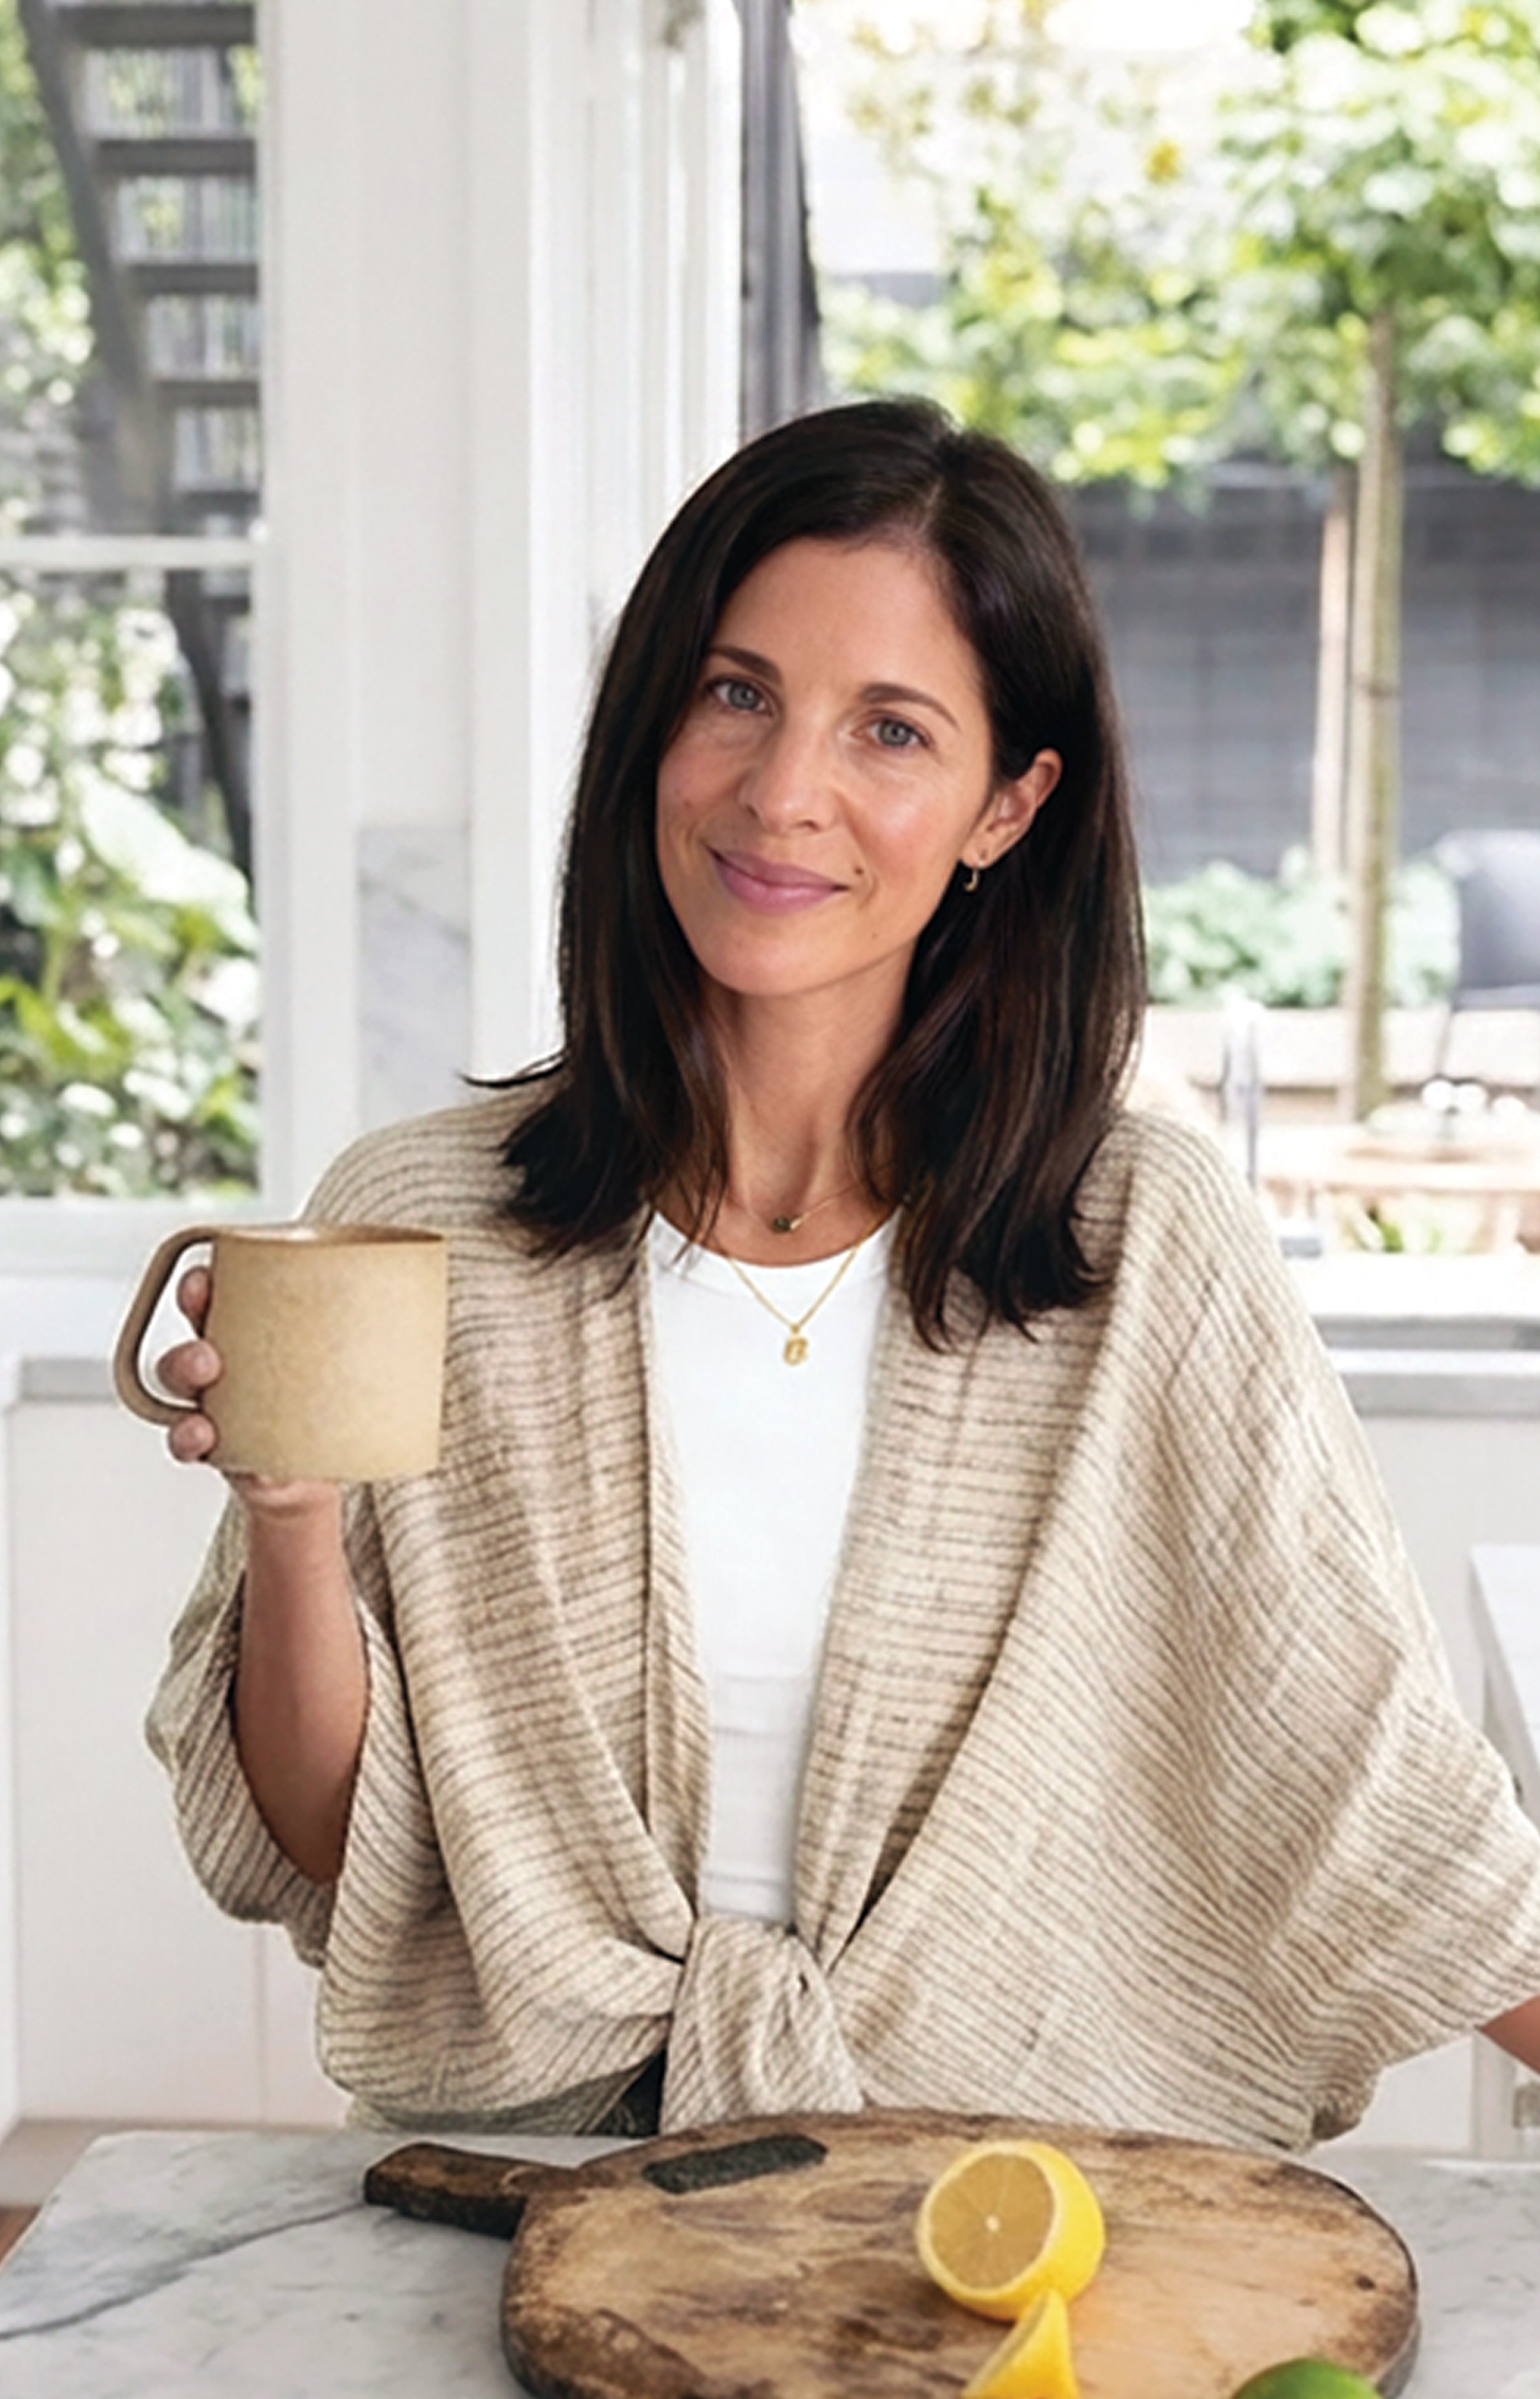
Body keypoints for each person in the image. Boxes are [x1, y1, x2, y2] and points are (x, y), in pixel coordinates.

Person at [147, 397, 1540, 2147]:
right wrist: (289, 1514)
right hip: (531, 2193)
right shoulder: (421, 1225)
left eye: (889, 729)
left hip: (998, 2216)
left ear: (1006, 803)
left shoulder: (1140, 1243)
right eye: (735, 692)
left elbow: (1361, 1773)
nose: (781, 790)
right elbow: (334, 1846)